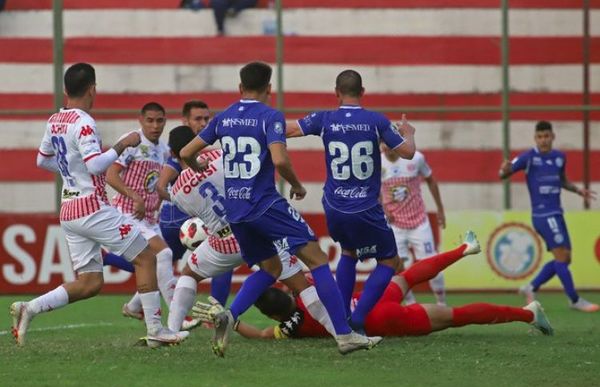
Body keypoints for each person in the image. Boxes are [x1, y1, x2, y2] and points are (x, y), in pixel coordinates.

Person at [180, 61, 379, 356]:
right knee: (317, 259)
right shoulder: (270, 116)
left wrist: (197, 166)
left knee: (271, 267)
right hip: (264, 204)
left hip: (236, 212)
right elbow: (280, 160)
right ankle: (345, 335)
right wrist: (297, 186)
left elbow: (185, 152)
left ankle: (230, 315)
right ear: (269, 88)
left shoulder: (224, 118)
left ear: (239, 88)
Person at [10, 63, 187, 347]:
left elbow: (41, 160)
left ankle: (29, 308)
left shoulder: (55, 120)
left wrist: (73, 172)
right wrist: (122, 145)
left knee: (90, 283)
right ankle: (156, 330)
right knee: (147, 257)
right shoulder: (84, 122)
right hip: (92, 207)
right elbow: (96, 165)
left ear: (66, 90)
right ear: (93, 89)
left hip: (68, 210)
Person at [198, 231, 553, 340]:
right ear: (285, 290)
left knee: (456, 316)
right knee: (408, 274)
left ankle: (526, 314)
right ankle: (465, 248)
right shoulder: (306, 286)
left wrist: (227, 318)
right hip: (367, 301)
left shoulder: (292, 328)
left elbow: (261, 336)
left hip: (379, 322)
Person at [164, 126, 337, 338]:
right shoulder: (221, 156)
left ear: (172, 153)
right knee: (301, 285)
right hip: (255, 229)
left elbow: (197, 213)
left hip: (222, 242)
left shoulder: (177, 192)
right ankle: (340, 334)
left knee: (189, 274)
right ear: (196, 142)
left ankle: (171, 331)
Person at [286, 69, 416, 333]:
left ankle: (342, 317)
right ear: (363, 92)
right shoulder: (376, 121)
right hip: (366, 206)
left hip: (334, 205)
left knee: (349, 251)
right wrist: (408, 132)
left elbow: (290, 130)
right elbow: (408, 152)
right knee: (389, 261)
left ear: (336, 93)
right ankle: (357, 320)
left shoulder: (325, 118)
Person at [499, 120, 598, 312]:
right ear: (535, 138)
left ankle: (531, 286)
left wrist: (578, 190)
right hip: (543, 214)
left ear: (552, 136)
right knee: (561, 257)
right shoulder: (528, 157)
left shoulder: (560, 157)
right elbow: (504, 173)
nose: (543, 140)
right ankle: (574, 299)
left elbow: (561, 181)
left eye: (546, 136)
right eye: (540, 137)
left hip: (557, 212)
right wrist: (504, 170)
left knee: (566, 258)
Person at [155, 101, 233, 307]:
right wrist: (177, 201)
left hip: (196, 219)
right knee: (224, 258)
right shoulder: (179, 155)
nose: (203, 123)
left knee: (162, 262)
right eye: (198, 119)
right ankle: (215, 311)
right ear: (185, 121)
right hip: (181, 219)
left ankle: (139, 305)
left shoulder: (205, 153)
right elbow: (161, 186)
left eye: (206, 119)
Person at [106, 102, 179, 316]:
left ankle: (133, 307)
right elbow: (110, 175)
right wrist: (135, 196)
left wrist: (159, 200)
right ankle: (178, 314)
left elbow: (158, 182)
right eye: (150, 120)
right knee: (164, 254)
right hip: (127, 212)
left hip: (149, 218)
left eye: (159, 120)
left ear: (165, 121)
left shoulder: (163, 149)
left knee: (159, 264)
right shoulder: (132, 142)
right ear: (141, 120)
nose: (155, 125)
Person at [381, 144, 447, 305]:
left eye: (390, 143)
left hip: (419, 223)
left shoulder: (416, 158)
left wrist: (440, 209)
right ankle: (411, 304)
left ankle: (442, 303)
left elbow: (431, 180)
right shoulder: (377, 163)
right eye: (383, 143)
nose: (386, 147)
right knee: (397, 267)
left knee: (432, 266)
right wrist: (383, 210)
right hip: (395, 226)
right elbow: (373, 191)